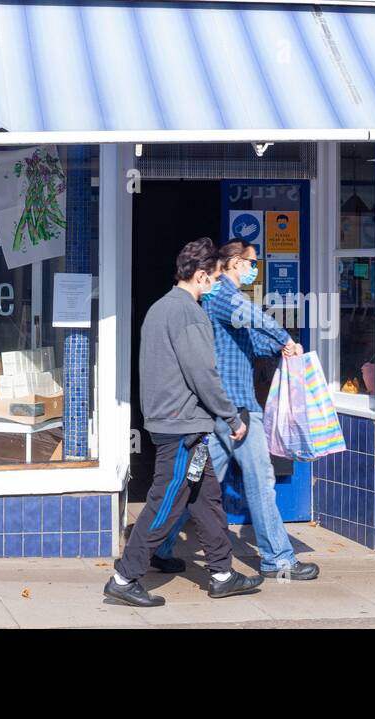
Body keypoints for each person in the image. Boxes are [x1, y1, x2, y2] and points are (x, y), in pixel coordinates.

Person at [104, 238, 262, 608]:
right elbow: (202, 374)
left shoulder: (160, 308)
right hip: (182, 427)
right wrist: (229, 416)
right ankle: (125, 577)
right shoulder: (189, 314)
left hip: (175, 421)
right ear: (202, 275)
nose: (216, 286)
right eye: (215, 278)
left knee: (206, 499)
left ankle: (222, 574)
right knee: (165, 500)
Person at [152, 239, 321, 580]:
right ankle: (279, 559)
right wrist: (285, 339)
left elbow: (248, 340)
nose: (254, 269)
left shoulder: (221, 301)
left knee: (194, 482)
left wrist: (278, 349)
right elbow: (254, 318)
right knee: (261, 482)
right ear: (233, 263)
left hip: (222, 411)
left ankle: (159, 545)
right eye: (251, 262)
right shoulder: (223, 295)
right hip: (237, 410)